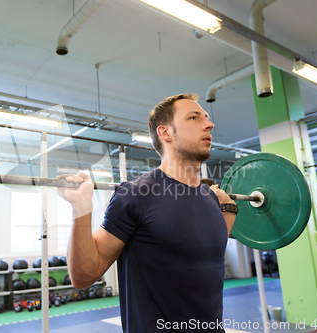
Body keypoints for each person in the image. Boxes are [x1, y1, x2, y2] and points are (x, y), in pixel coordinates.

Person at [57, 93, 237, 332]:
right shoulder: (136, 195)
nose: (209, 123)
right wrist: (81, 208)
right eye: (193, 117)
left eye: (206, 117)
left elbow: (205, 250)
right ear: (165, 133)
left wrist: (228, 208)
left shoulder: (210, 199)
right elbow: (83, 277)